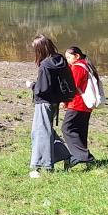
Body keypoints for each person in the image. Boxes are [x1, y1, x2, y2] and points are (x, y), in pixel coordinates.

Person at [26, 34, 73, 178]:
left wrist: (31, 85)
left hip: (44, 103)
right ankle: (66, 155)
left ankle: (41, 165)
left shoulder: (45, 65)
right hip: (54, 102)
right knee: (47, 130)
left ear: (41, 49)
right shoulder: (61, 60)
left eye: (36, 49)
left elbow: (42, 89)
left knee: (41, 132)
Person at [63, 46, 98, 168]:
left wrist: (64, 101)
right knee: (80, 131)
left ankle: (84, 156)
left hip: (77, 104)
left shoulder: (77, 67)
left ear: (77, 56)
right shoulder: (86, 66)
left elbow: (72, 86)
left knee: (67, 128)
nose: (67, 60)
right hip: (86, 105)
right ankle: (82, 158)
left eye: (68, 57)